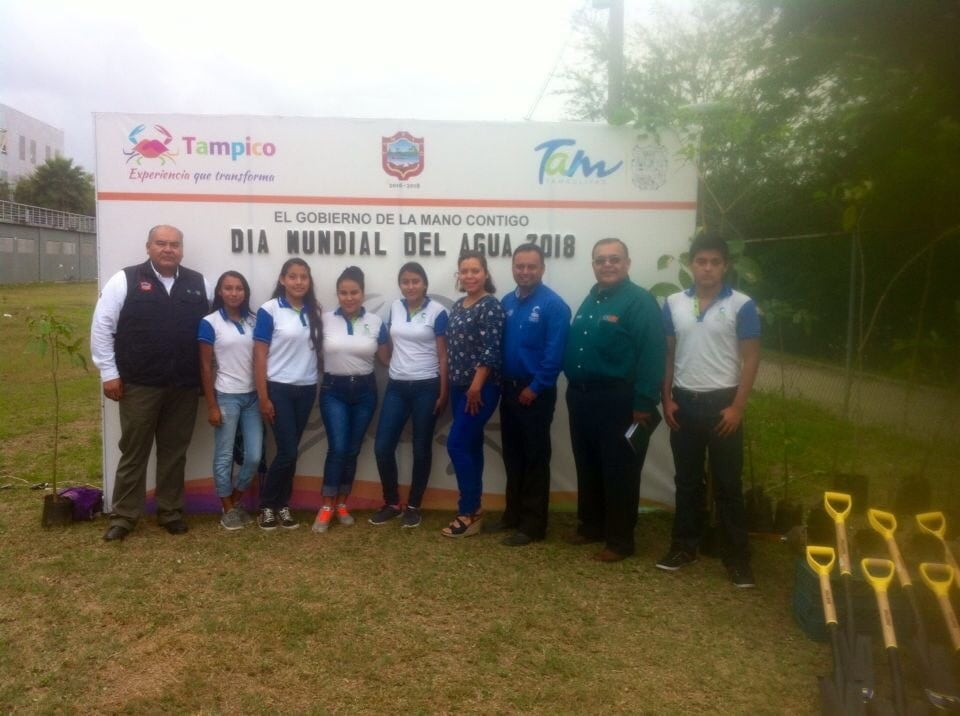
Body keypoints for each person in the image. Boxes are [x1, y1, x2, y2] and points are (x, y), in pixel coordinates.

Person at [91, 224, 211, 541]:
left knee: (174, 451)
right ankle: (124, 516)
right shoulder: (125, 279)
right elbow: (102, 326)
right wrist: (109, 373)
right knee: (134, 451)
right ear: (148, 247)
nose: (168, 249)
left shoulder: (199, 284)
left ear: (182, 249)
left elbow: (214, 329)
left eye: (174, 244)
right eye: (161, 243)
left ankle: (170, 511)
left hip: (184, 384)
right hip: (139, 384)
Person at [656, 233, 761, 588]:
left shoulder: (742, 305)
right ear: (691, 264)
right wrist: (666, 398)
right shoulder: (673, 303)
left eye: (715, 262)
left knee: (728, 485)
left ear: (725, 266)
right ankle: (684, 547)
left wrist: (738, 407)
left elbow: (751, 359)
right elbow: (668, 354)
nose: (708, 268)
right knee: (687, 482)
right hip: (683, 404)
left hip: (723, 407)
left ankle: (737, 559)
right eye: (701, 261)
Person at [563, 238, 665, 562]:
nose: (607, 265)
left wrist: (645, 401)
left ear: (627, 263)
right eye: (600, 260)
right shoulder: (592, 298)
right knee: (588, 463)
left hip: (618, 399)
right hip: (582, 397)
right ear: (593, 265)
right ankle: (591, 525)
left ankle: (620, 540)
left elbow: (653, 353)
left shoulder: (639, 301)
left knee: (620, 469)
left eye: (614, 259)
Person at [494, 244, 570, 546]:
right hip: (508, 389)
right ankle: (512, 515)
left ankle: (533, 525)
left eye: (531, 266)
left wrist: (536, 387)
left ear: (542, 269)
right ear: (513, 267)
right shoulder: (506, 301)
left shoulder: (554, 305)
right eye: (520, 266)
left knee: (535, 458)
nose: (525, 271)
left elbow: (555, 355)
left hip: (534, 392)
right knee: (512, 455)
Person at [370, 262, 449, 529]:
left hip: (427, 386)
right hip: (397, 386)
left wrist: (443, 391)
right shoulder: (395, 307)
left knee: (421, 447)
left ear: (424, 284)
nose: (410, 286)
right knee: (383, 446)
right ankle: (392, 503)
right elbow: (390, 343)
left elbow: (443, 355)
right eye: (405, 281)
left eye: (415, 281)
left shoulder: (438, 311)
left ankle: (414, 506)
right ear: (400, 285)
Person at [312, 266, 390, 533]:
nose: (349, 298)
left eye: (354, 292)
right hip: (334, 390)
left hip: (366, 391)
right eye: (343, 293)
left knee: (353, 449)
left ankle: (342, 503)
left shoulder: (376, 322)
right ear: (337, 294)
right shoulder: (324, 320)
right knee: (338, 448)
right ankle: (326, 506)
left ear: (362, 293)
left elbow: (386, 359)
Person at [253, 258, 322, 531]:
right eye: (292, 276)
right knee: (288, 450)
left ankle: (282, 505)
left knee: (289, 451)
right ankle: (266, 506)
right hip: (278, 388)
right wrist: (263, 396)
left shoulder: (315, 311)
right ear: (282, 280)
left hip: (306, 388)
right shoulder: (269, 310)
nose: (298, 282)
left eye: (303, 277)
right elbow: (259, 355)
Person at [442, 250, 505, 538]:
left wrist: (477, 386)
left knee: (456, 445)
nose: (469, 276)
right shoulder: (458, 305)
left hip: (480, 390)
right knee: (470, 446)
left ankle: (468, 510)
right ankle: (475, 510)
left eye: (475, 271)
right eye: (464, 271)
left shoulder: (491, 306)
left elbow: (490, 350)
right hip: (459, 388)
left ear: (485, 274)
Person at [198, 270, 261, 530]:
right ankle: (227, 508)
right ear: (220, 292)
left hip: (253, 397)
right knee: (224, 455)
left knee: (254, 456)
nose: (234, 293)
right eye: (228, 288)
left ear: (245, 292)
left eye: (239, 288)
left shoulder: (254, 320)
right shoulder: (210, 322)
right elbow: (205, 367)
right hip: (226, 395)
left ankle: (234, 502)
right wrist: (211, 405)